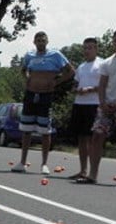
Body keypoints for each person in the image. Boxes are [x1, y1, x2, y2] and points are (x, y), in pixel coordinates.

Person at [12, 31, 74, 174]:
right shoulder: (30, 55)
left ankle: (44, 164)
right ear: (34, 42)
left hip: (46, 95)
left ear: (47, 41)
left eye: (43, 40)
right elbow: (23, 69)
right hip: (31, 94)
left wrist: (56, 82)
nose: (40, 42)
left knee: (45, 131)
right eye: (38, 40)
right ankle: (22, 162)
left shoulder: (55, 55)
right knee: (26, 129)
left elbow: (70, 71)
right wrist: (27, 77)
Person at [77, 28, 116, 185]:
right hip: (106, 105)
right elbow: (102, 84)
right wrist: (103, 103)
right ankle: (92, 174)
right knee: (97, 136)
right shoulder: (107, 62)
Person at [68, 38, 103, 180]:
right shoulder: (81, 67)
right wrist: (77, 90)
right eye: (85, 48)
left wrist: (90, 89)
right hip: (79, 104)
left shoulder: (101, 64)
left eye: (90, 48)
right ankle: (83, 170)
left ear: (96, 49)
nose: (87, 51)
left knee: (92, 139)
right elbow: (74, 85)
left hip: (94, 104)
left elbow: (104, 85)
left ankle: (92, 172)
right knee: (82, 138)